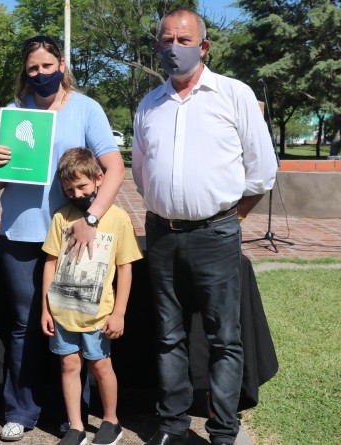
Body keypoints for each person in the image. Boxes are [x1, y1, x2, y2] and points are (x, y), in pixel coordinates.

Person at [132, 8, 278, 445]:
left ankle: (223, 431)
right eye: (166, 40)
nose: (174, 48)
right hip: (162, 235)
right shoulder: (150, 104)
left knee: (224, 338)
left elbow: (262, 172)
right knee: (168, 335)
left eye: (184, 40)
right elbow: (141, 172)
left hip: (216, 234)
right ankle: (173, 426)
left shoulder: (233, 94)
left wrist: (229, 218)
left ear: (204, 46)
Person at [0, 35, 126, 442]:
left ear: (61, 65)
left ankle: (71, 417)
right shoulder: (14, 113)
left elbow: (114, 169)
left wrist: (92, 219)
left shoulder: (87, 108)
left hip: (73, 236)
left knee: (73, 322)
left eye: (47, 66)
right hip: (22, 233)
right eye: (33, 68)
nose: (41, 73)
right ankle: (20, 410)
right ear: (24, 72)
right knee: (24, 325)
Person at [41, 148, 142, 445]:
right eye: (69, 190)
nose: (76, 194)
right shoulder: (61, 217)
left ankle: (111, 421)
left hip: (99, 314)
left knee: (100, 365)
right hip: (62, 313)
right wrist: (46, 309)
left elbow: (125, 268)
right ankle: (76, 426)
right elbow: (50, 263)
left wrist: (119, 312)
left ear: (99, 179)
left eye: (82, 186)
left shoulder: (118, 218)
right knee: (69, 365)